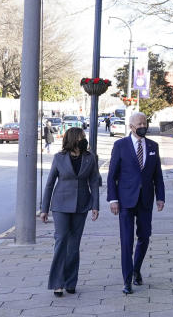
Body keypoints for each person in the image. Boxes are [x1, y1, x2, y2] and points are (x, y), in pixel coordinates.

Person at [106, 112, 164, 294]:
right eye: (139, 123)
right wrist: (113, 199)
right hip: (125, 201)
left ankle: (136, 268)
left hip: (145, 200)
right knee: (126, 241)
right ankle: (127, 280)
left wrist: (160, 197)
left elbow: (158, 175)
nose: (143, 125)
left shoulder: (153, 146)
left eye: (145, 122)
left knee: (145, 237)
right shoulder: (120, 145)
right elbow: (112, 175)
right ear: (131, 126)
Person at [40, 127, 100, 297]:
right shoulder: (59, 158)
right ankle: (57, 283)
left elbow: (94, 182)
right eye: (82, 137)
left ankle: (70, 282)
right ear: (74, 139)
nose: (84, 139)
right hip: (60, 206)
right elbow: (50, 183)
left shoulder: (90, 158)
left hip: (81, 206)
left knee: (74, 246)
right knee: (61, 242)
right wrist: (44, 209)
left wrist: (95, 206)